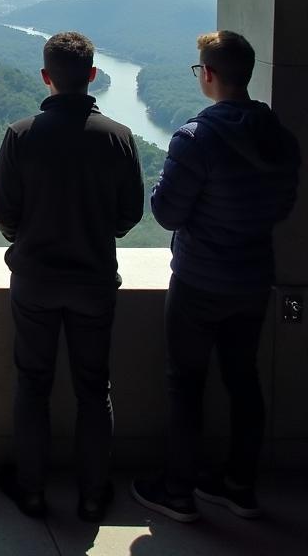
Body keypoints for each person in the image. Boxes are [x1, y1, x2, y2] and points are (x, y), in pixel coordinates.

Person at [132, 31, 300, 523]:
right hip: (253, 279)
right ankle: (239, 485)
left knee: (186, 383)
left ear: (208, 74)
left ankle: (178, 491)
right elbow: (283, 207)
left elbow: (166, 212)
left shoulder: (196, 138)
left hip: (199, 280)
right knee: (244, 378)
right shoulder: (279, 138)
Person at [0, 31, 144, 523]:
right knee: (93, 389)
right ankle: (94, 494)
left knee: (33, 385)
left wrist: (28, 236)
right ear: (93, 75)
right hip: (94, 280)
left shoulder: (21, 134)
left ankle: (32, 490)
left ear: (45, 77)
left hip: (34, 280)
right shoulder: (118, 137)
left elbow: (2, 211)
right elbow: (130, 214)